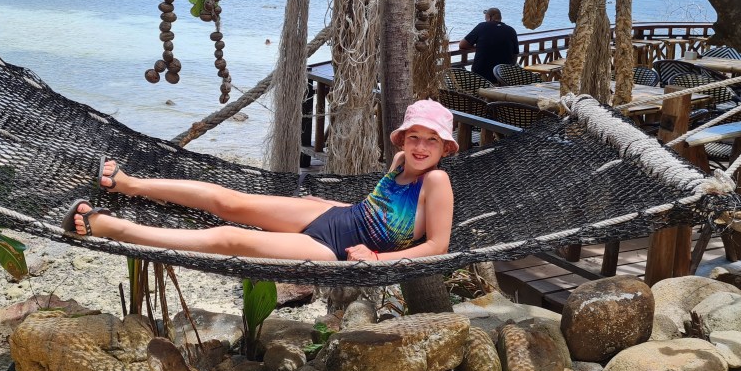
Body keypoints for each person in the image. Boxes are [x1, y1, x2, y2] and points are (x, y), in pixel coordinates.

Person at [63, 99, 457, 262]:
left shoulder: (436, 181)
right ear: (403, 140)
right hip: (334, 216)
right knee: (231, 202)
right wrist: (329, 205)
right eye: (414, 137)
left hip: (336, 249)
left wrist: (377, 258)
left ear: (444, 147)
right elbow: (376, 208)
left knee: (229, 238)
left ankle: (109, 228)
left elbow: (438, 245)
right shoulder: (400, 162)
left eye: (432, 140)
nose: (421, 147)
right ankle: (128, 184)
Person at [458, 7, 519, 83]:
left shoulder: (482, 27)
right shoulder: (511, 30)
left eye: (485, 17)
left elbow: (462, 45)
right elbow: (515, 54)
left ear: (490, 17)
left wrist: (479, 46)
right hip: (503, 77)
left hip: (481, 76)